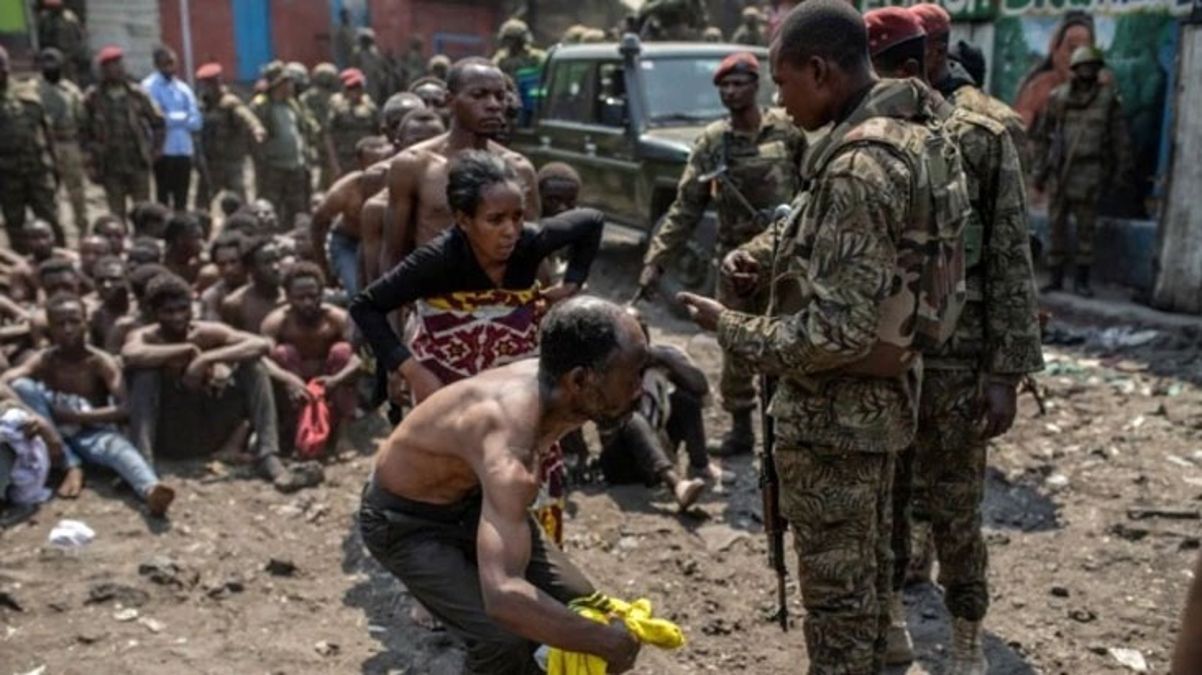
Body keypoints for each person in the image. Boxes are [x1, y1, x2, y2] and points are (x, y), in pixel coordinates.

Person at [677, 1, 970, 671]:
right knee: (867, 596)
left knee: (839, 618)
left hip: (834, 421)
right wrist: (759, 254)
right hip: (881, 406)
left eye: (783, 84)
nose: (779, 101)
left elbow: (835, 332)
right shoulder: (908, 135)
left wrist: (730, 326)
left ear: (820, 69)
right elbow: (812, 235)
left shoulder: (856, 168)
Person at [865, 8, 1044, 672]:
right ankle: (888, 619)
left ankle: (965, 633)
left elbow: (1009, 261)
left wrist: (1006, 371)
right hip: (879, 359)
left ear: (928, 57)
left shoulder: (979, 137)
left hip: (956, 361)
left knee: (955, 506)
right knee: (883, 494)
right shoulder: (862, 135)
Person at [357, 296, 644, 675]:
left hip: (472, 499)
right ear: (579, 380)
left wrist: (595, 633)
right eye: (632, 377)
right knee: (501, 641)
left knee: (588, 608)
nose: (639, 390)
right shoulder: (510, 447)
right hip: (404, 522)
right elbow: (504, 597)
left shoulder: (555, 383)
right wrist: (605, 642)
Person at [352, 151, 604, 543]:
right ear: (463, 221)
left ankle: (528, 559)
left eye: (518, 217)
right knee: (454, 469)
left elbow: (591, 223)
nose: (510, 231)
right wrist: (411, 370)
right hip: (448, 381)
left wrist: (572, 283)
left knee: (526, 456)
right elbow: (365, 306)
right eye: (495, 220)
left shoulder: (529, 244)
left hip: (514, 374)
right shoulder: (437, 260)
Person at [640, 51, 804, 458]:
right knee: (734, 344)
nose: (731, 92)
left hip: (788, 258)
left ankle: (790, 432)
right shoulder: (714, 142)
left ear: (756, 85)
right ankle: (741, 428)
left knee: (791, 340)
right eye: (724, 87)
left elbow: (813, 187)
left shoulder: (788, 131)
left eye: (739, 83)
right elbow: (686, 206)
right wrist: (656, 260)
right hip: (737, 263)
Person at [122, 273, 299, 490]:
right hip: (171, 431)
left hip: (209, 424)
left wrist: (207, 358)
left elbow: (260, 345)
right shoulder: (145, 336)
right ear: (154, 313)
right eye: (169, 312)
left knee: (254, 367)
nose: (178, 317)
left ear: (191, 307)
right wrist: (186, 350)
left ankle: (268, 455)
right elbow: (130, 355)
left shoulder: (205, 332)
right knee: (145, 375)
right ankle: (143, 465)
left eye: (182, 309)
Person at [4, 292, 175, 515]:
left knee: (119, 450)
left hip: (90, 431)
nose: (68, 329)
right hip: (51, 435)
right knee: (23, 386)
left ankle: (151, 490)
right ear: (51, 328)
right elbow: (5, 382)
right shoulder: (45, 358)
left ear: (86, 322)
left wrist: (75, 417)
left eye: (74, 322)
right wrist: (35, 417)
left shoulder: (99, 361)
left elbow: (124, 408)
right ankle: (71, 465)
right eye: (60, 324)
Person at [383, 58, 539, 274]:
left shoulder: (518, 169)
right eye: (479, 95)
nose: (493, 104)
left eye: (500, 96)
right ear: (450, 100)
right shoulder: (414, 165)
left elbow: (535, 254)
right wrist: (389, 305)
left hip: (502, 301)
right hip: (436, 300)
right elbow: (393, 252)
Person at [1032, 45, 1130, 298]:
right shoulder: (1059, 98)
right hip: (1060, 171)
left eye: (1092, 67)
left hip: (1090, 171)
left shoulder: (1108, 100)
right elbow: (1044, 137)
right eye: (1082, 67)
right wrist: (1040, 172)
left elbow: (1119, 139)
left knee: (1086, 229)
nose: (1087, 71)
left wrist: (1119, 173)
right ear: (1075, 70)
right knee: (1056, 227)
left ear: (1098, 70)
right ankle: (1055, 277)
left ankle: (1082, 281)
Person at [597, 306, 717, 506]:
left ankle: (700, 465)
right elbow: (608, 421)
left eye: (640, 333)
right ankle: (677, 485)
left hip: (660, 447)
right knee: (633, 419)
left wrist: (662, 359)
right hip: (623, 463)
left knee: (685, 399)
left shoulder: (660, 358)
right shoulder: (607, 368)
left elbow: (699, 388)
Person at [909, 4, 1031, 173]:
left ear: (938, 51)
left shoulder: (998, 120)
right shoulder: (894, 108)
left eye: (913, 48)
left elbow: (1013, 194)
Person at [261, 263, 360, 456]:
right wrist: (289, 380)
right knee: (282, 353)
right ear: (288, 297)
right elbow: (262, 360)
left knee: (343, 351)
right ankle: (298, 433)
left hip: (330, 381)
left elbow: (360, 356)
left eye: (313, 296)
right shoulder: (276, 322)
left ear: (322, 294)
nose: (307, 302)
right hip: (294, 383)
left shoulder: (337, 319)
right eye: (300, 297)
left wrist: (337, 379)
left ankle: (343, 435)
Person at [82, 46, 165, 222]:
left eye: (119, 64)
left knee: (143, 212)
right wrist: (90, 163)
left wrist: (156, 150)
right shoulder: (93, 98)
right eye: (111, 66)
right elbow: (84, 133)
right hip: (110, 166)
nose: (117, 69)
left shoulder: (137, 94)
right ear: (103, 70)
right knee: (116, 214)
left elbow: (158, 122)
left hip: (137, 162)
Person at [309, 137, 394, 296]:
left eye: (385, 163)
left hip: (386, 243)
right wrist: (325, 270)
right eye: (373, 165)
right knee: (358, 293)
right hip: (350, 243)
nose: (380, 170)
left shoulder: (403, 184)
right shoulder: (345, 190)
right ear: (362, 165)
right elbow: (317, 224)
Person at [0, 45, 61, 253]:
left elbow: (47, 132)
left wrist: (55, 165)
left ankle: (59, 258)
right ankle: (23, 265)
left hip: (37, 171)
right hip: (7, 176)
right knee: (15, 224)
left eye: (2, 66)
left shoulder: (29, 93)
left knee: (50, 219)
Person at [250, 65, 315, 232]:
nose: (291, 86)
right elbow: (254, 139)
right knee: (271, 208)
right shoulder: (262, 106)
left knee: (298, 208)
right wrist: (262, 163)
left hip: (296, 165)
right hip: (274, 168)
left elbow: (303, 131)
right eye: (287, 82)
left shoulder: (293, 104)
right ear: (277, 84)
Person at [141, 46, 201, 211]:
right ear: (157, 64)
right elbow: (156, 119)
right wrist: (182, 118)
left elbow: (196, 121)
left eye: (173, 63)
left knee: (182, 198)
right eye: (166, 63)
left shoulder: (183, 88)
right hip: (163, 150)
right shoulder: (148, 87)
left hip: (184, 150)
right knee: (163, 197)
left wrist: (171, 117)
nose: (171, 67)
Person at [196, 62, 265, 204]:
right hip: (211, 162)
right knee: (203, 200)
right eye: (206, 84)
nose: (209, 88)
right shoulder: (202, 105)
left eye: (213, 83)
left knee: (239, 197)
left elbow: (246, 117)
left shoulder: (229, 102)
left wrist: (256, 129)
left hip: (231, 161)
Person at [37, 47, 88, 233]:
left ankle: (82, 230)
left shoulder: (71, 90)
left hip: (70, 144)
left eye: (54, 63)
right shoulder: (35, 91)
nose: (50, 67)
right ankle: (54, 232)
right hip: (45, 147)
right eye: (46, 63)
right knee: (49, 193)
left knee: (77, 192)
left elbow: (82, 118)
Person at [220, 238, 286, 333]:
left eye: (277, 260)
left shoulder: (292, 298)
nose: (276, 267)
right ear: (252, 269)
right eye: (267, 263)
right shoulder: (235, 304)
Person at [327, 69, 382, 178]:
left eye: (358, 87)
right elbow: (328, 137)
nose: (356, 91)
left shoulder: (370, 108)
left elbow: (379, 134)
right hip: (346, 161)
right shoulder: (338, 108)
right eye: (352, 88)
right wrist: (334, 164)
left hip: (368, 160)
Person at [199, 231, 249, 322]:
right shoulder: (212, 297)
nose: (228, 269)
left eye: (233, 262)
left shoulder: (261, 289)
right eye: (222, 264)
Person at [36, 0, 88, 84]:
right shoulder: (44, 18)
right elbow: (40, 36)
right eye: (50, 7)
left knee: (69, 83)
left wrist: (74, 56)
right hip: (50, 57)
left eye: (54, 7)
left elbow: (79, 38)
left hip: (67, 58)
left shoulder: (70, 19)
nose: (52, 10)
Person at [87, 255, 130, 351]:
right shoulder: (93, 316)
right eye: (100, 281)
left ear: (127, 281)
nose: (106, 285)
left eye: (114, 279)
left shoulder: (139, 311)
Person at [492, 19, 547, 84]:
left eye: (513, 39)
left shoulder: (536, 57)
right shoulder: (501, 59)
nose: (510, 43)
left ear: (521, 39)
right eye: (507, 39)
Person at [162, 212, 204, 285]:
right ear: (180, 239)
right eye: (196, 238)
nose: (202, 244)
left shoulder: (197, 264)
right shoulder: (163, 267)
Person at [352, 28, 391, 107]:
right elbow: (354, 68)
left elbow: (380, 67)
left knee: (373, 101)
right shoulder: (358, 53)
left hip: (373, 81)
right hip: (362, 80)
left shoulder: (374, 52)